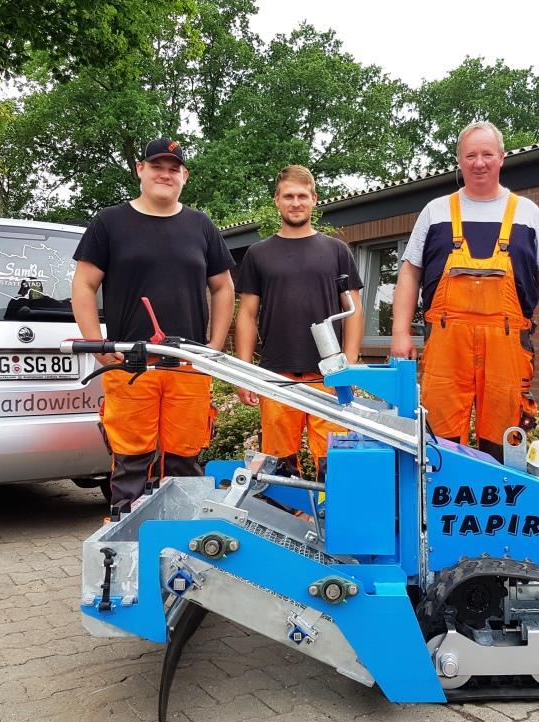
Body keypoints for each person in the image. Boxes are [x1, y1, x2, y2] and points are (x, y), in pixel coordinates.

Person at [390, 121, 539, 461]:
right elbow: (409, 273)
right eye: (470, 155)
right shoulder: (435, 211)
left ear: (501, 157)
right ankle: (440, 510)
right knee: (438, 440)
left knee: (504, 438)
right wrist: (400, 332)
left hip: (508, 343)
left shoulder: (528, 213)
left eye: (487, 154)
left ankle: (499, 509)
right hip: (446, 342)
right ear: (459, 161)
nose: (479, 162)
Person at [72, 137, 235, 509]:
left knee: (185, 457)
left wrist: (214, 346)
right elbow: (83, 284)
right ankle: (125, 540)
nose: (165, 174)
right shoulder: (110, 222)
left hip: (188, 366)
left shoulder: (201, 225)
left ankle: (184, 543)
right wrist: (96, 343)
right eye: (157, 166)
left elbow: (224, 287)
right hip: (130, 362)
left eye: (173, 168)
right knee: (131, 458)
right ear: (140, 170)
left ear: (184, 176)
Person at [235, 165, 363, 479]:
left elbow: (354, 310)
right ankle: (287, 520)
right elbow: (247, 315)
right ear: (277, 201)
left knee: (333, 463)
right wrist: (244, 373)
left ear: (314, 200)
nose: (296, 202)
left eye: (302, 196)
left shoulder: (336, 251)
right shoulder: (258, 254)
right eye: (288, 196)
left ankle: (331, 523)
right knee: (279, 467)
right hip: (277, 375)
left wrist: (351, 364)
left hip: (329, 375)